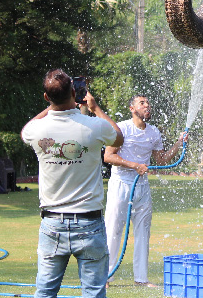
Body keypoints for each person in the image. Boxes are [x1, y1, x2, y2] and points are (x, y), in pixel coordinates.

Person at [21, 69, 123, 298]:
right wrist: (95, 108)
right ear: (74, 92)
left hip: (52, 223)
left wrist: (51, 106)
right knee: (94, 293)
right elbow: (118, 137)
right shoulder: (94, 126)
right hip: (89, 222)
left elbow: (24, 131)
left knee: (45, 292)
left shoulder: (37, 130)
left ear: (46, 97)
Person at [103, 94, 188, 288]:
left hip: (142, 186)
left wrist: (178, 143)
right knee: (114, 229)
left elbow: (162, 160)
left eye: (148, 103)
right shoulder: (121, 128)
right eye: (142, 103)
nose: (147, 106)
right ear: (132, 108)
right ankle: (106, 277)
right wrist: (134, 165)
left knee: (143, 232)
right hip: (121, 184)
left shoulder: (154, 132)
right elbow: (108, 156)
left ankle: (141, 279)